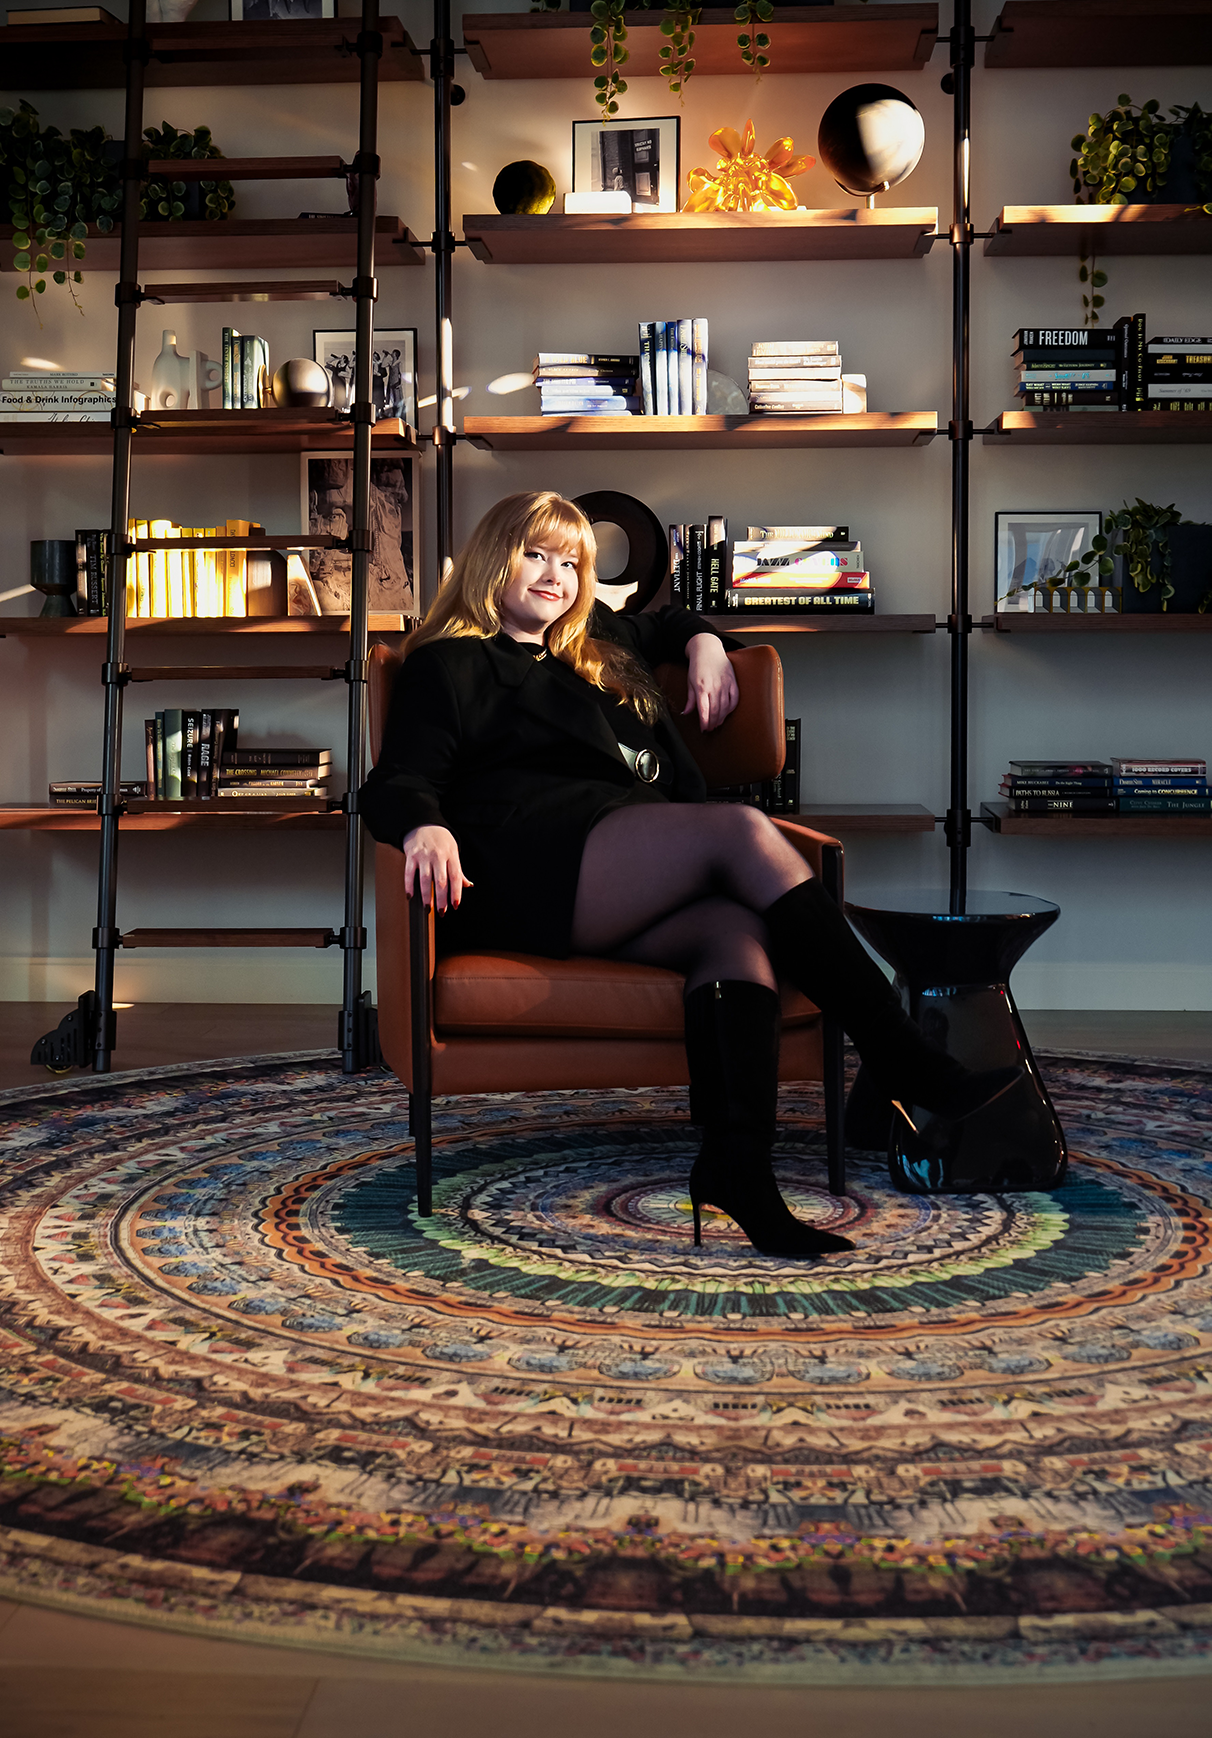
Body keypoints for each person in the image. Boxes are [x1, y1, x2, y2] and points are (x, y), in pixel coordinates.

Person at [360, 492, 1021, 1259]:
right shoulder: (449, 663)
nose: (555, 575)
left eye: (571, 562)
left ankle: (739, 1170)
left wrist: (705, 642)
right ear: (491, 560)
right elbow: (398, 777)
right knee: (742, 831)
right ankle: (907, 1060)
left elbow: (668, 620)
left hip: (624, 860)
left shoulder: (598, 638)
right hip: (527, 868)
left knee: (733, 932)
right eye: (535, 555)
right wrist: (423, 822)